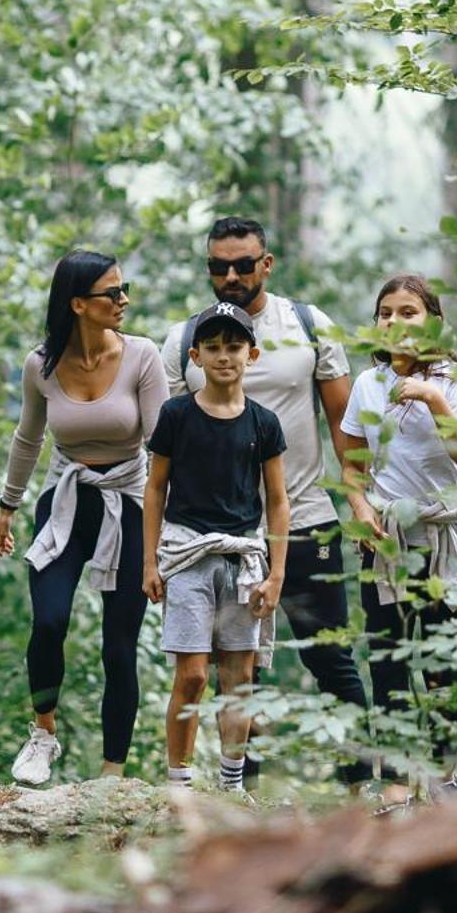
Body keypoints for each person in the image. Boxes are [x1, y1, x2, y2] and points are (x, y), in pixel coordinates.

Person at [161, 216, 370, 788]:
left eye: (242, 264)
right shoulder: (184, 341)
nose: (230, 275)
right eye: (217, 266)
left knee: (329, 655)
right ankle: (241, 792)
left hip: (302, 521)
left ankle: (366, 786)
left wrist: (360, 502)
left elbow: (343, 425)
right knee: (236, 667)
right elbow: (168, 449)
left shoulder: (308, 326)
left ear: (266, 264)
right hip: (213, 536)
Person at [0, 249, 166, 786]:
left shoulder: (142, 357)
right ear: (77, 304)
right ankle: (43, 734)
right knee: (48, 621)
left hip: (131, 501)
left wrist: (168, 533)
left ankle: (112, 771)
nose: (124, 300)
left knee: (119, 643)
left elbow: (163, 449)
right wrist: (7, 506)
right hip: (67, 498)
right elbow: (28, 437)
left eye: (123, 288)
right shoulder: (41, 363)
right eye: (112, 293)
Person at [339, 273, 457, 795]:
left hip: (448, 538)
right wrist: (359, 508)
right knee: (389, 662)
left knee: (443, 665)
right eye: (385, 313)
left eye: (408, 312)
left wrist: (432, 398)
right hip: (386, 541)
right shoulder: (366, 384)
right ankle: (397, 788)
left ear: (434, 322)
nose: (394, 322)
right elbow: (352, 466)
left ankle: (446, 781)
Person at [142, 303, 290, 792]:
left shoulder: (264, 423)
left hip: (243, 559)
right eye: (212, 347)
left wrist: (276, 575)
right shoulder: (176, 414)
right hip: (187, 556)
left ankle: (232, 785)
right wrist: (150, 562)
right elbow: (155, 487)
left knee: (238, 679)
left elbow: (277, 500)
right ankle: (178, 784)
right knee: (192, 677)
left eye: (233, 347)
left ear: (253, 353)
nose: (224, 357)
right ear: (195, 356)